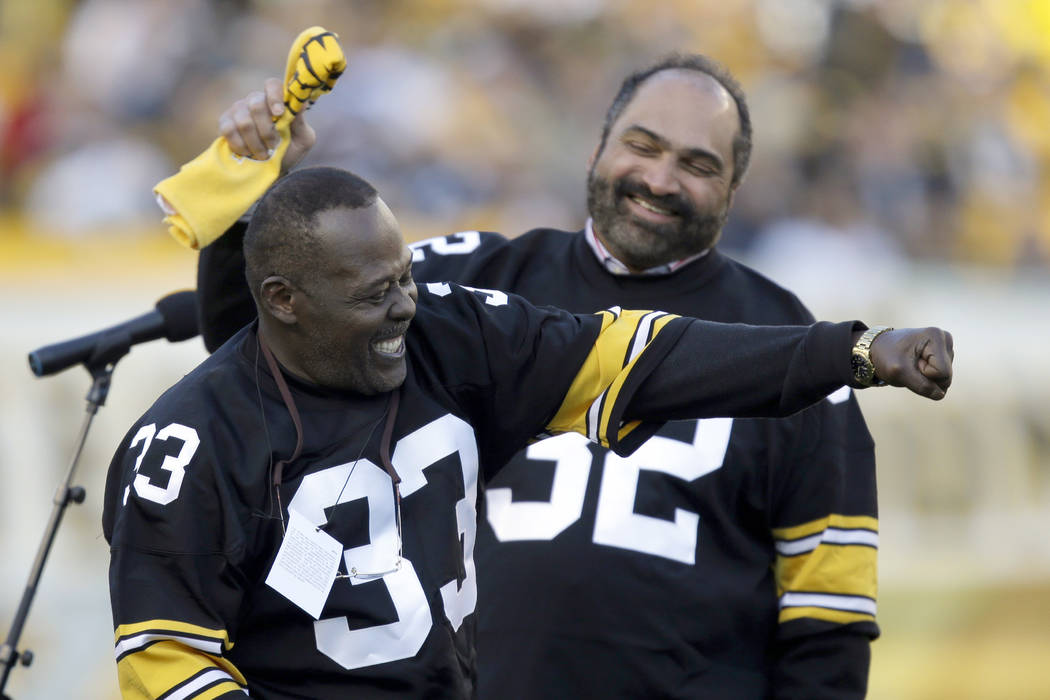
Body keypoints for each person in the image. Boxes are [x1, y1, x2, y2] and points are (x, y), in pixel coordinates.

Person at [196, 54, 907, 698]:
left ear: (734, 187)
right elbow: (260, 353)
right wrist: (252, 205)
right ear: (598, 146)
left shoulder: (789, 343)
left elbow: (829, 627)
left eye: (697, 164)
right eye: (643, 145)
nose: (660, 179)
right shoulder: (468, 278)